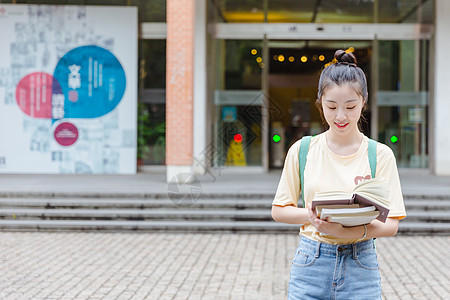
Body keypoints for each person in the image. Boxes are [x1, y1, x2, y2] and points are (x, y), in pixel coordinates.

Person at [271, 49, 406, 300]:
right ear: (320, 102)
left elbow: (392, 224)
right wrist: (313, 218)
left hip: (361, 264)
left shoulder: (380, 155)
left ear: (364, 101)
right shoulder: (302, 150)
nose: (340, 116)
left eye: (350, 106)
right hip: (311, 262)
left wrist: (350, 233)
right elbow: (279, 210)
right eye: (331, 106)